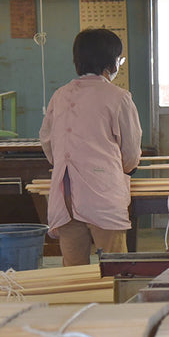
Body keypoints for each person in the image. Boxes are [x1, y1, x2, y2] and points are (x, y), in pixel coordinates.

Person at [39, 28, 142, 266]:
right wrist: (126, 169)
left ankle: (76, 304)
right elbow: (131, 150)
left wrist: (68, 163)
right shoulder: (118, 97)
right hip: (103, 194)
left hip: (65, 195)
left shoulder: (60, 95)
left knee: (73, 271)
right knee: (115, 268)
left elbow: (47, 140)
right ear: (113, 63)